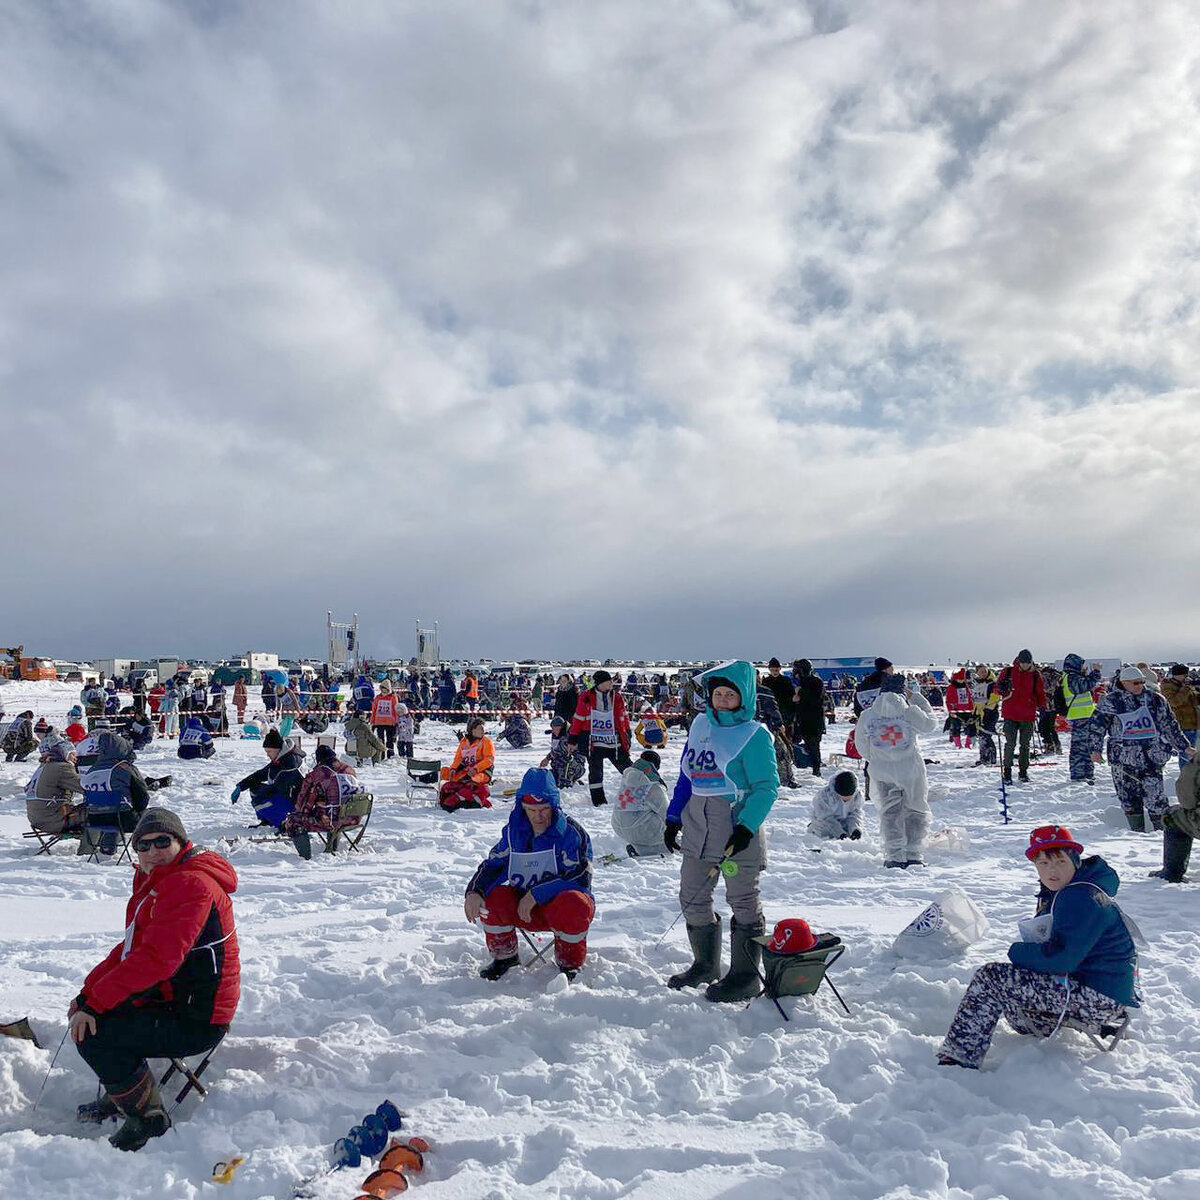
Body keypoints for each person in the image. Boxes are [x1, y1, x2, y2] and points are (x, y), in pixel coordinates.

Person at [70, 808, 239, 1151]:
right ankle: (127, 1092)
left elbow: (156, 960)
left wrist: (96, 1004)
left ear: (180, 841)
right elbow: (133, 947)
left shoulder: (190, 884)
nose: (152, 851)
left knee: (95, 1033)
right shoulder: (163, 878)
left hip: (197, 1017)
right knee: (95, 1015)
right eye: (142, 845)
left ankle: (148, 1116)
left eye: (162, 841)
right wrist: (88, 995)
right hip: (176, 996)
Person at [937, 825, 1138, 1070]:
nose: (1051, 871)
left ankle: (959, 1056)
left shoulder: (1080, 897)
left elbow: (1061, 960)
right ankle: (1065, 1026)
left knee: (991, 977)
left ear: (1074, 860)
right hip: (1101, 995)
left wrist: (1018, 951)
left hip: (1098, 999)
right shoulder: (1071, 890)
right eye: (1042, 863)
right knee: (1014, 1005)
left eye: (1059, 862)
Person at [663, 660, 780, 1002]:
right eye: (718, 694)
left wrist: (746, 826)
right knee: (693, 895)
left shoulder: (755, 735)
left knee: (743, 900)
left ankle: (744, 976)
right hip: (697, 821)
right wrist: (673, 817)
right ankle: (705, 965)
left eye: (731, 694)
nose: (723, 700)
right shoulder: (700, 725)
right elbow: (687, 775)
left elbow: (766, 786)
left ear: (744, 697)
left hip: (735, 824)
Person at [464, 767, 594, 980]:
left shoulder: (571, 833)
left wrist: (536, 894)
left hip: (559, 909)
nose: (538, 816)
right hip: (522, 909)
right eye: (531, 810)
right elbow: (495, 864)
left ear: (554, 806)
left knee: (575, 903)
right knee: (493, 896)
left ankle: (569, 964)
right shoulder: (514, 832)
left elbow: (580, 877)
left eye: (544, 809)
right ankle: (504, 957)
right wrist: (474, 891)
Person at [1090, 666, 1195, 832]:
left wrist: (1185, 747)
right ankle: (1135, 833)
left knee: (1156, 798)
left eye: (1142, 682)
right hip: (1122, 759)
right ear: (1124, 683)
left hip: (1151, 758)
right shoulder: (1111, 701)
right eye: (1135, 683)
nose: (1139, 686)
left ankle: (1162, 833)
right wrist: (1095, 749)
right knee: (1128, 799)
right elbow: (1097, 726)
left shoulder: (1155, 700)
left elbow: (1169, 726)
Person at [853, 674, 939, 868]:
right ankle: (914, 854)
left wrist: (876, 758)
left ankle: (894, 856)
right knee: (915, 810)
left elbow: (860, 745)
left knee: (890, 813)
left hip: (882, 771)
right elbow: (931, 725)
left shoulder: (868, 715)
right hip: (910, 770)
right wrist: (917, 699)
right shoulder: (909, 712)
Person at [282, 744, 363, 859]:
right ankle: (332, 847)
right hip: (353, 818)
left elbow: (302, 804)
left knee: (294, 821)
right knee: (335, 809)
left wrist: (299, 811)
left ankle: (304, 858)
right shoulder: (349, 770)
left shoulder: (317, 774)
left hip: (331, 821)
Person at [78, 730, 152, 853]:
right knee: (152, 813)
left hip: (94, 820)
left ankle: (106, 842)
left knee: (111, 809)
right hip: (124, 820)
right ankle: (149, 849)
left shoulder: (91, 770)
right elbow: (143, 797)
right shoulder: (125, 768)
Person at [569, 669, 632, 807]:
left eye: (610, 682)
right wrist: (573, 738)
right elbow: (578, 718)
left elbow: (624, 717)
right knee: (596, 772)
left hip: (614, 740)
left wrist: (627, 733)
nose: (610, 685)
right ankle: (598, 801)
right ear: (599, 684)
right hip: (594, 741)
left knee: (628, 769)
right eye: (607, 682)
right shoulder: (586, 696)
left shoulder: (617, 697)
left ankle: (639, 793)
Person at [230, 729, 306, 828]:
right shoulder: (281, 758)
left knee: (263, 798)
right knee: (255, 789)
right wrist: (241, 786)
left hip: (297, 802)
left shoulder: (291, 763)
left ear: (278, 749)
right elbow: (261, 774)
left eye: (269, 751)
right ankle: (268, 821)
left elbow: (280, 789)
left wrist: (259, 794)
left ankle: (284, 824)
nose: (267, 754)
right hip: (288, 796)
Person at [995, 650, 1046, 783]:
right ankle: (1007, 771)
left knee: (1025, 745)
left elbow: (1040, 693)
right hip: (1010, 714)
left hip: (1028, 715)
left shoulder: (1035, 675)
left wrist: (1042, 707)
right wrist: (1001, 689)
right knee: (1010, 744)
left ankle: (1023, 772)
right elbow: (997, 687)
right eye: (1022, 663)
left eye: (1027, 663)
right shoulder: (1008, 672)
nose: (1024, 666)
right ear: (1018, 661)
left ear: (1031, 662)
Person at [612, 750, 670, 857]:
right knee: (672, 837)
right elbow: (668, 814)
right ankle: (655, 850)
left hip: (618, 826)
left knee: (643, 823)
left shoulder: (627, 778)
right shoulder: (653, 785)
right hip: (640, 828)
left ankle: (638, 849)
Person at [26, 739, 86, 834]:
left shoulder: (43, 766)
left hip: (36, 818)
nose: (75, 758)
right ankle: (89, 847)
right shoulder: (62, 767)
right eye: (72, 754)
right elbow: (84, 787)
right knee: (96, 811)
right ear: (65, 753)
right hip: (53, 820)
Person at [1058, 654, 1102, 783]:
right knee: (1080, 748)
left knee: (1086, 746)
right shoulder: (1072, 677)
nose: (1084, 667)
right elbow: (1084, 686)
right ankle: (1078, 774)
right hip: (1080, 716)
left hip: (1084, 716)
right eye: (1082, 664)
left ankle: (1087, 772)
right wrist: (1096, 672)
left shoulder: (1070, 677)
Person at [439, 718, 495, 811]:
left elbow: (489, 759)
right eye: (480, 728)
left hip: (481, 771)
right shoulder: (464, 742)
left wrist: (476, 768)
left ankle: (462, 798)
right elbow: (458, 758)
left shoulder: (486, 742)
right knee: (444, 772)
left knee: (471, 780)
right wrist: (453, 768)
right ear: (473, 730)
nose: (483, 731)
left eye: (483, 728)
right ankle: (420, 778)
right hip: (466, 769)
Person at [790, 659, 826, 777]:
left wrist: (800, 693)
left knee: (813, 745)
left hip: (814, 720)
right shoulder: (798, 682)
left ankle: (816, 770)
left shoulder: (816, 682)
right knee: (795, 743)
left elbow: (816, 700)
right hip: (800, 718)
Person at [1161, 663, 1199, 768]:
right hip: (1182, 725)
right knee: (1186, 754)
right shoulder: (1167, 686)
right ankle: (1186, 776)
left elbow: (1195, 701)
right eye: (1184, 675)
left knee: (1195, 754)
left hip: (1194, 724)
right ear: (1177, 675)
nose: (1186, 677)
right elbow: (1173, 702)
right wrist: (1185, 689)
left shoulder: (1185, 686)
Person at [807, 771, 864, 841]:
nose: (846, 800)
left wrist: (855, 829)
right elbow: (825, 818)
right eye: (842, 797)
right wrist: (840, 833)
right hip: (824, 825)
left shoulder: (857, 796)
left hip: (844, 825)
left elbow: (854, 814)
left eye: (849, 797)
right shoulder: (825, 796)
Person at [540, 715, 586, 789]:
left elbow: (560, 750)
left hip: (575, 765)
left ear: (561, 728)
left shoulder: (570, 735)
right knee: (550, 777)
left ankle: (567, 783)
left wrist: (547, 759)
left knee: (565, 764)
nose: (554, 731)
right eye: (553, 729)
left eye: (556, 729)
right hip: (562, 763)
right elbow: (554, 750)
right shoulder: (557, 734)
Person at [970, 663, 1000, 766]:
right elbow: (975, 700)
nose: (983, 673)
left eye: (984, 671)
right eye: (980, 671)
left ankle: (991, 758)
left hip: (990, 713)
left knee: (986, 735)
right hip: (979, 713)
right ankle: (983, 757)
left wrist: (988, 709)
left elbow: (995, 697)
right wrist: (973, 713)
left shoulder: (992, 683)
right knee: (981, 736)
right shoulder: (977, 684)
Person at [760, 659, 795, 736]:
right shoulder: (766, 681)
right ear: (769, 669)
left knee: (786, 736)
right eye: (772, 670)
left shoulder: (786, 680)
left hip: (785, 711)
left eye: (776, 670)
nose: (775, 672)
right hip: (771, 712)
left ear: (779, 669)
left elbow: (792, 696)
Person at [944, 668, 975, 750]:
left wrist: (972, 708)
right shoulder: (951, 687)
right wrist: (951, 710)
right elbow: (948, 700)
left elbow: (969, 698)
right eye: (959, 679)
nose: (961, 681)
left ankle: (968, 744)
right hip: (956, 711)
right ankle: (958, 745)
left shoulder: (966, 687)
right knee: (956, 727)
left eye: (962, 679)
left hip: (967, 711)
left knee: (971, 727)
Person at [369, 679, 401, 758]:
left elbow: (395, 709)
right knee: (380, 740)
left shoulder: (393, 697)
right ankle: (381, 755)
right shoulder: (378, 697)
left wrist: (397, 721)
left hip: (390, 722)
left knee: (390, 740)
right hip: (379, 722)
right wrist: (372, 721)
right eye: (382, 688)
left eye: (384, 688)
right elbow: (374, 710)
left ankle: (390, 755)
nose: (383, 690)